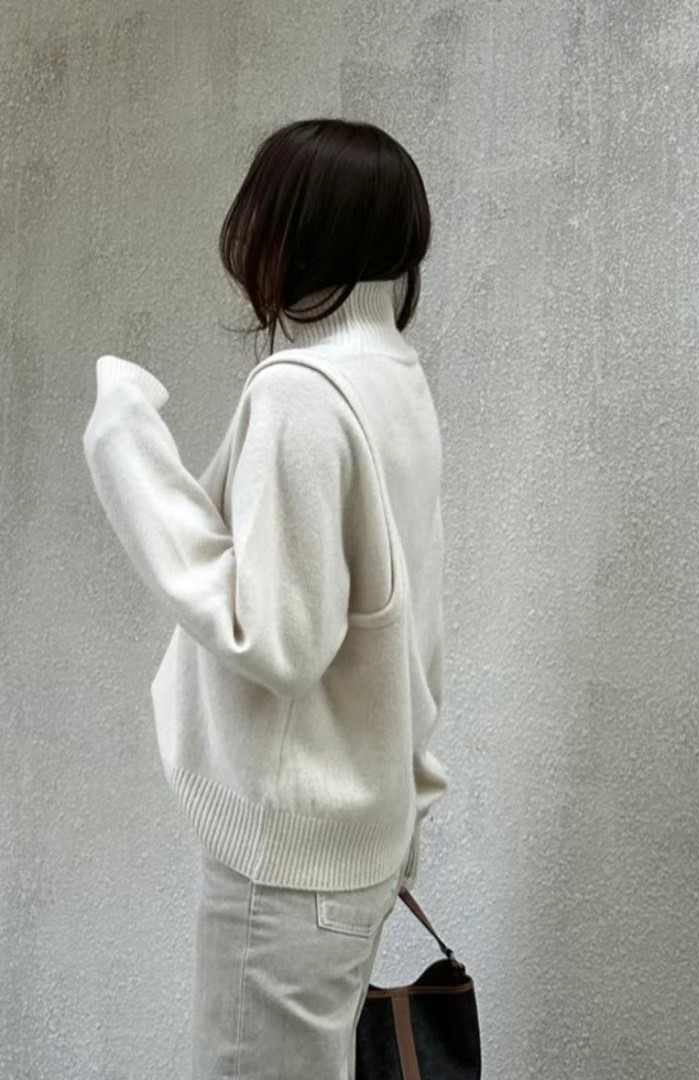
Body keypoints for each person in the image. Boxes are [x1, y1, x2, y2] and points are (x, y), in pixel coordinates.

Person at [81, 117, 450, 1079]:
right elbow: (406, 624)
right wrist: (408, 806)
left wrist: (124, 446)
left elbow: (275, 637)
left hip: (288, 863)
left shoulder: (303, 392)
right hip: (357, 839)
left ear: (289, 233)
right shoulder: (394, 377)